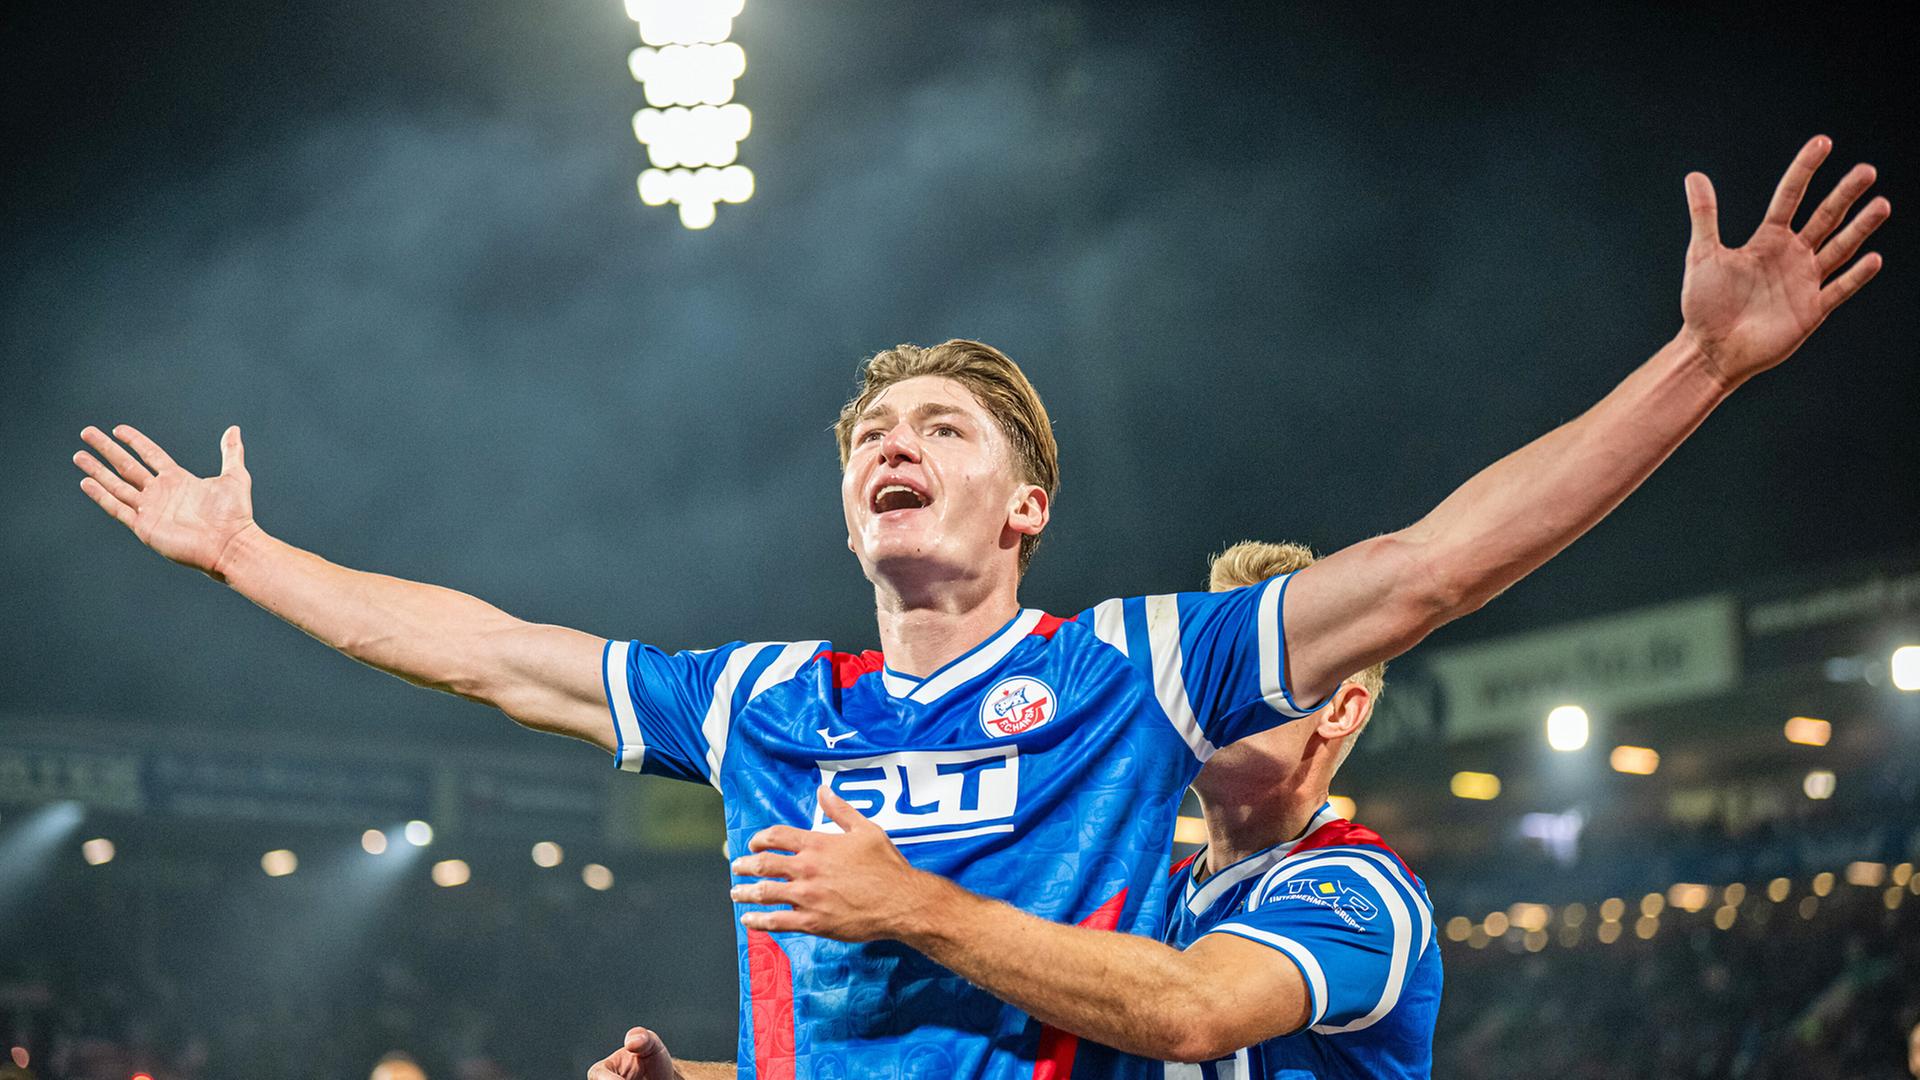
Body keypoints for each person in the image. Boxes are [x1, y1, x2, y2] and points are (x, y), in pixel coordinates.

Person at [71, 137, 1886, 1080]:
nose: (890, 440)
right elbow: (490, 651)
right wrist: (248, 559)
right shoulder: (772, 699)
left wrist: (1698, 371)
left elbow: (1432, 566)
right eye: (869, 430)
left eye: (938, 424)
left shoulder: (1132, 671)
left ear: (1028, 507)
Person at [724, 541, 1434, 1078]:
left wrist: (914, 903)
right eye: (1221, 663)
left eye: (1259, 675)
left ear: (1340, 708)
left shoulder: (1359, 887)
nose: (1219, 689)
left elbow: (1195, 1011)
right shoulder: (1156, 889)